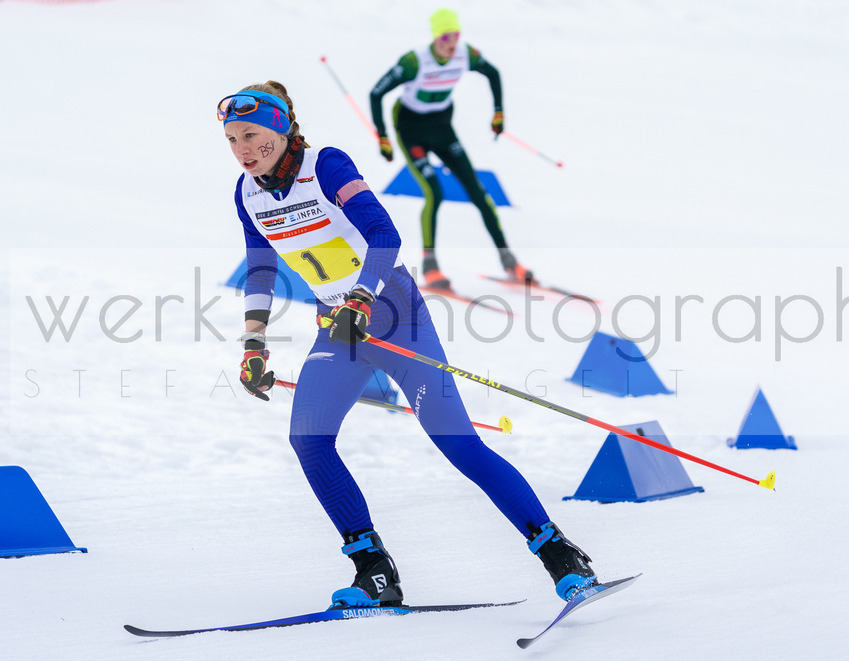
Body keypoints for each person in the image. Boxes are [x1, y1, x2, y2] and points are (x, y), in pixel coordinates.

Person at [219, 80, 596, 608]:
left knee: (458, 444)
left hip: (392, 312)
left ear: (280, 128)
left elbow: (385, 234)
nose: (241, 150)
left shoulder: (326, 165)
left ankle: (560, 554)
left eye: (251, 135)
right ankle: (373, 570)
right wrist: (253, 345)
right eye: (231, 139)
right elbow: (260, 268)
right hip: (340, 326)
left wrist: (361, 298)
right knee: (308, 437)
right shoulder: (247, 194)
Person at [369, 7, 531, 291]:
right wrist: (382, 136)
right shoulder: (414, 61)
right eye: (445, 37)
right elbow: (376, 93)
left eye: (455, 35)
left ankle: (509, 261)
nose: (451, 43)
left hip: (442, 129)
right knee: (435, 191)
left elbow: (493, 73)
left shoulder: (465, 54)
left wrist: (498, 113)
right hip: (411, 131)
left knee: (478, 192)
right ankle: (430, 266)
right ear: (435, 37)